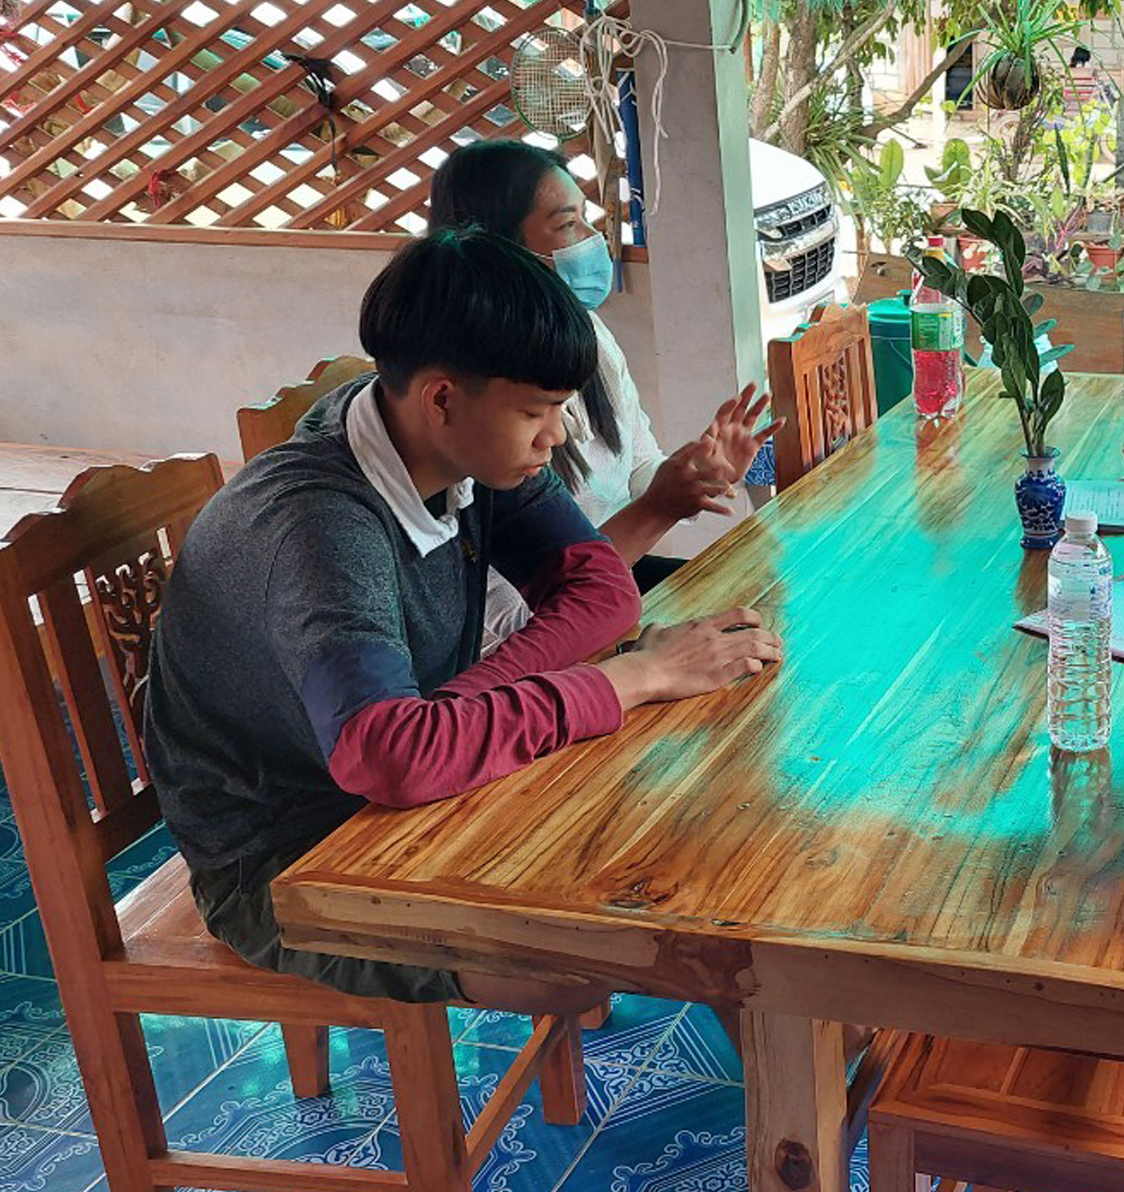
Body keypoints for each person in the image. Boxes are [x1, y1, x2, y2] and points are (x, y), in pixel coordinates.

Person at [143, 228, 783, 1014]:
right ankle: (794, 1079)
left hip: (380, 784)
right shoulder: (322, 526)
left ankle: (795, 1054)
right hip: (285, 860)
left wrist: (453, 713)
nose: (556, 437)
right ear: (442, 397)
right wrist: (630, 676)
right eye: (537, 412)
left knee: (675, 826)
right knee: (581, 958)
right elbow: (391, 759)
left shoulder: (453, 444)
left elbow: (602, 589)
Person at [428, 140, 774, 647]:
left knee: (768, 612)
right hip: (537, 639)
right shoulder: (479, 408)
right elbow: (515, 625)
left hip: (605, 597)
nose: (594, 240)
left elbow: (639, 468)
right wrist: (659, 508)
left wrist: (693, 474)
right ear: (500, 248)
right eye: (568, 225)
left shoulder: (590, 336)